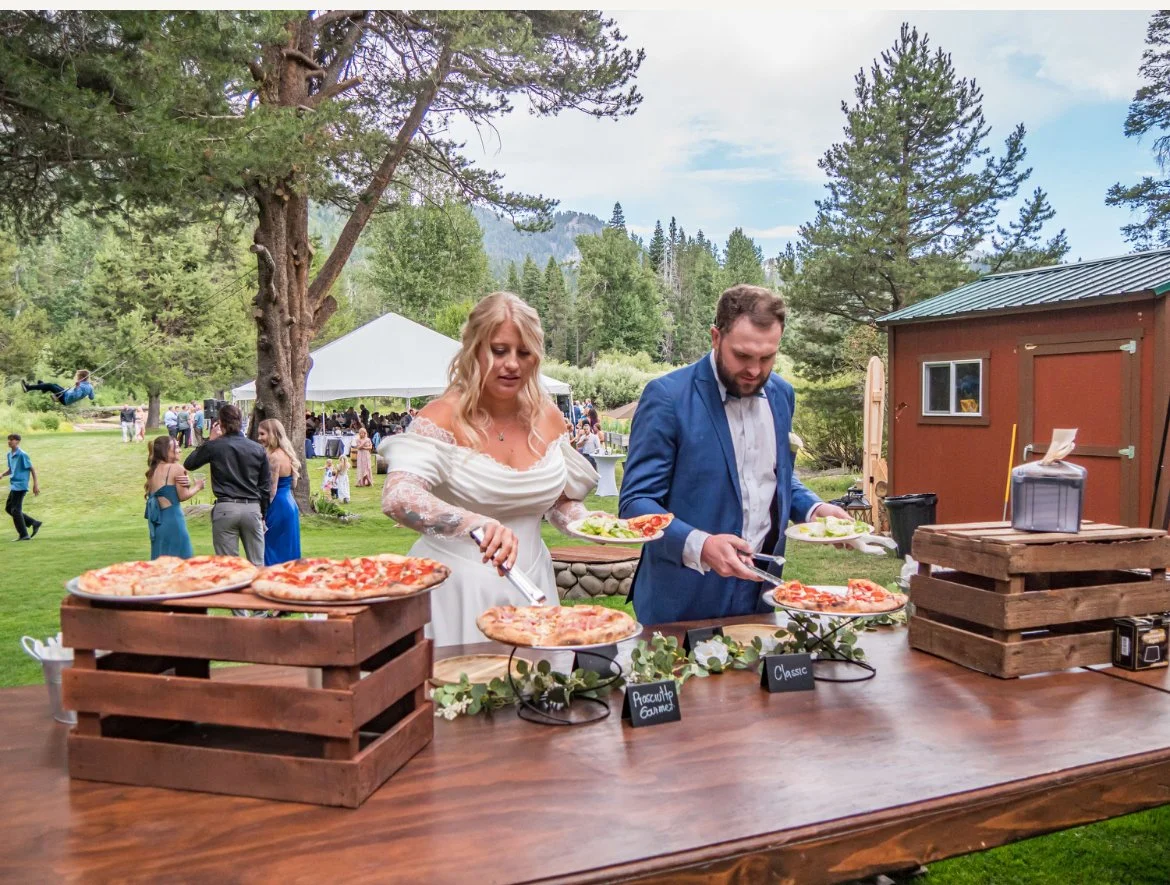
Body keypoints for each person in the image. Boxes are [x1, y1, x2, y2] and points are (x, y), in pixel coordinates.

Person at [619, 284, 852, 625]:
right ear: (716, 337)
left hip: (760, 596)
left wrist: (813, 508)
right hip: (683, 601)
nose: (755, 370)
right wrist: (700, 544)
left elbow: (775, 475)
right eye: (742, 356)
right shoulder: (667, 397)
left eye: (767, 357)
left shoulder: (782, 395)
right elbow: (636, 503)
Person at [382, 291, 600, 647]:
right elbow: (398, 497)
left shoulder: (549, 418)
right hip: (455, 590)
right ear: (474, 350)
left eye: (524, 352)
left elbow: (555, 503)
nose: (512, 364)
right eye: (499, 351)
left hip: (535, 585)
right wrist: (475, 524)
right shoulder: (442, 417)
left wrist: (589, 522)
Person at [183, 403, 269, 566]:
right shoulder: (257, 449)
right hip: (251, 507)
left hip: (226, 506)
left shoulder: (215, 447)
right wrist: (263, 512)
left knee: (229, 566)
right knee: (257, 563)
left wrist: (209, 440)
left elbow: (190, 463)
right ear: (240, 421)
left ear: (220, 423)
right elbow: (264, 486)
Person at [144, 435, 203, 559]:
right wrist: (197, 486)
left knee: (162, 565)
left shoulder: (153, 471)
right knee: (182, 562)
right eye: (176, 447)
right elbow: (183, 496)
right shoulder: (176, 468)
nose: (179, 449)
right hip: (174, 522)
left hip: (158, 525)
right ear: (166, 450)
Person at [257, 419, 302, 565]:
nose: (259, 438)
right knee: (288, 550)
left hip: (277, 506)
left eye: (262, 434)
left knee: (272, 548)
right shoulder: (287, 454)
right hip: (289, 504)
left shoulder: (274, 457)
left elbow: (271, 490)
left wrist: (262, 512)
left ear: (273, 434)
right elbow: (292, 483)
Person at [3, 433, 41, 541]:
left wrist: (35, 484)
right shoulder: (9, 455)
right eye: (8, 439)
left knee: (15, 510)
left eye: (12, 439)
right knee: (9, 508)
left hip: (21, 485)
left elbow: (32, 469)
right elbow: (11, 469)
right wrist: (2, 474)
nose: (9, 441)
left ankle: (24, 535)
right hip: (14, 485)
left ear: (17, 441)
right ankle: (34, 523)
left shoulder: (22, 455)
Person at [22, 370, 95, 406]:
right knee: (54, 385)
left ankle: (28, 388)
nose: (76, 377)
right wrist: (90, 389)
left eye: (77, 376)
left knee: (50, 386)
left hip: (65, 399)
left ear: (81, 377)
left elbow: (77, 395)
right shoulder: (90, 386)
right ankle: (43, 387)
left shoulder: (81, 386)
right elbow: (91, 397)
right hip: (66, 393)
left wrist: (77, 387)